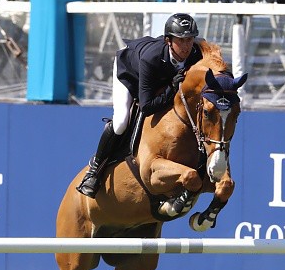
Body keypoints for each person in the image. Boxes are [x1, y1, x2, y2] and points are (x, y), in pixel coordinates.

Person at [76, 13, 204, 198]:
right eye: (181, 40)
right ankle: (94, 170)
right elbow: (147, 106)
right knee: (121, 121)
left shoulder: (196, 53)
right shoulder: (150, 58)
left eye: (190, 39)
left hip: (161, 79)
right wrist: (171, 88)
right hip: (130, 74)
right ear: (168, 40)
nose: (186, 46)